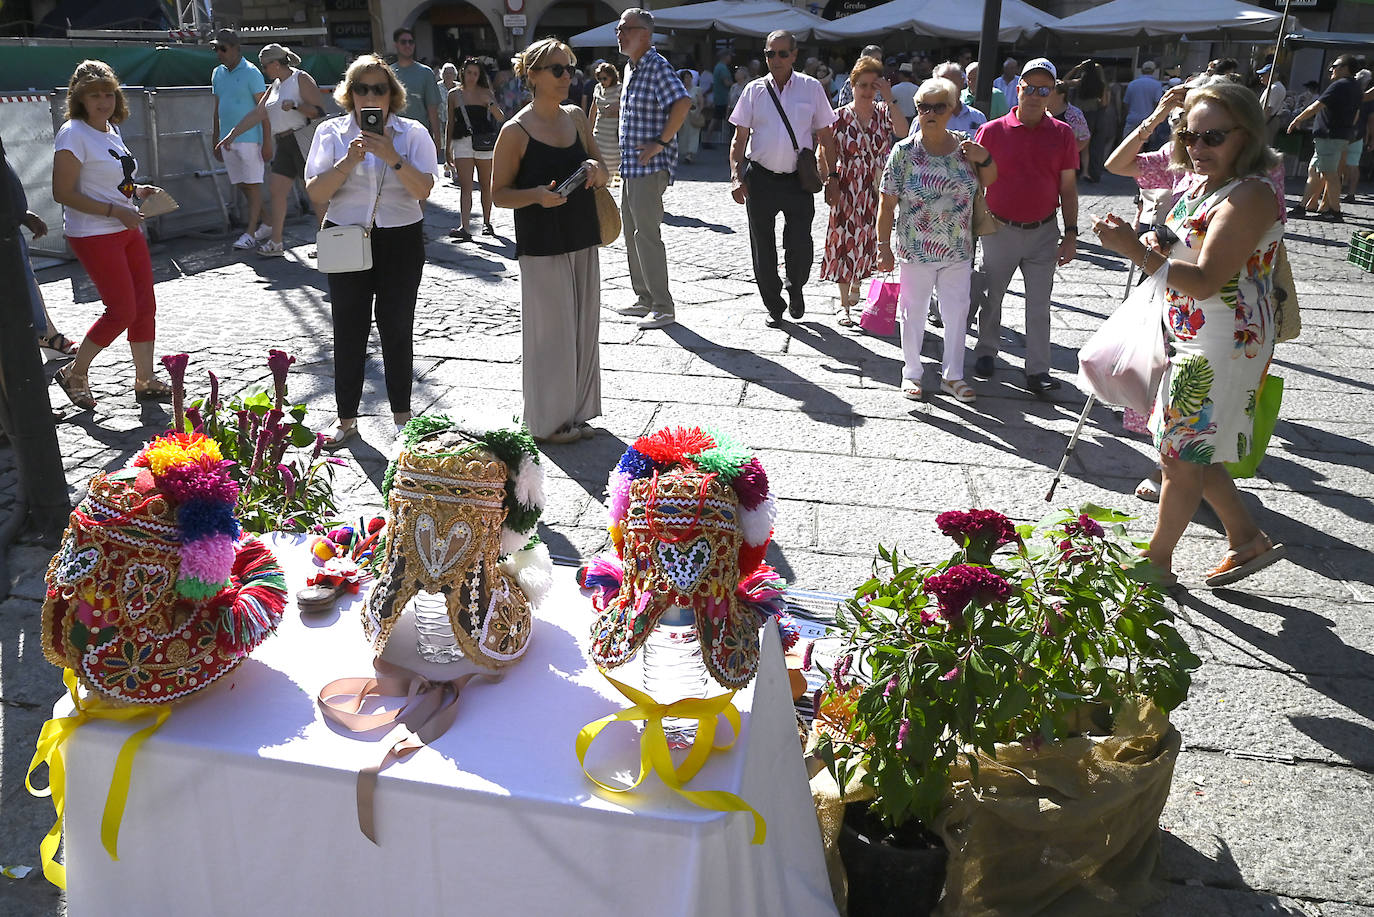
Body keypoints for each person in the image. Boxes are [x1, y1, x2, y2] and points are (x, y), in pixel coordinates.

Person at [1091, 81, 1287, 589]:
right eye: (1190, 136)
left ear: (1247, 135)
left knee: (1179, 452)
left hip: (1220, 340)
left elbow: (1204, 280)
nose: (1197, 148)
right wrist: (1151, 239)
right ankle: (1246, 539)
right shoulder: (1204, 183)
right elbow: (1181, 241)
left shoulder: (1251, 194)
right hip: (1191, 331)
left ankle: (1155, 562)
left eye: (1213, 137)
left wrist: (1134, 249)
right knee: (1192, 445)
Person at [304, 54, 440, 448]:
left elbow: (424, 189)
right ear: (349, 93)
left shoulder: (412, 133)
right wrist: (348, 161)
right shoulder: (331, 133)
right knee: (348, 329)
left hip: (400, 237)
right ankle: (346, 419)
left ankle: (402, 417)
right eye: (361, 88)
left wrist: (392, 157)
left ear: (391, 95)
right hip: (346, 234)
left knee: (397, 327)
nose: (369, 96)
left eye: (378, 88)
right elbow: (315, 192)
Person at [492, 38, 609, 445]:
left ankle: (576, 414)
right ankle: (547, 422)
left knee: (582, 328)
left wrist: (595, 169)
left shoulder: (576, 117)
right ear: (534, 76)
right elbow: (498, 194)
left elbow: (605, 172)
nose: (567, 76)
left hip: (581, 233)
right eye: (557, 69)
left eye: (569, 68)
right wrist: (537, 196)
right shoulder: (515, 130)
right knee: (550, 333)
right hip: (541, 242)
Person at [50, 60, 172, 410]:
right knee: (121, 311)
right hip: (94, 233)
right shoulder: (73, 133)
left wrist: (137, 192)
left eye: (108, 94)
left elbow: (114, 180)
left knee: (145, 307)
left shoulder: (110, 130)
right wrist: (113, 210)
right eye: (94, 96)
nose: (103, 101)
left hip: (125, 227)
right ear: (79, 99)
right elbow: (63, 192)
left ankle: (145, 379)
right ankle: (75, 371)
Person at [877, 77, 995, 404]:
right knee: (913, 311)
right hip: (915, 248)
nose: (929, 113)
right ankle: (911, 373)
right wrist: (882, 247)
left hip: (958, 247)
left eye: (938, 107)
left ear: (951, 109)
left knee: (957, 312)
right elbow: (886, 203)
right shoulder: (903, 152)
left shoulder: (966, 147)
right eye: (923, 107)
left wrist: (984, 157)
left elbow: (991, 179)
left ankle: (953, 376)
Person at [971, 58, 1079, 394]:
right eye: (1028, 87)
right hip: (1000, 227)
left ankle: (1038, 370)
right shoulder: (991, 131)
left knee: (1039, 303)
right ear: (1017, 89)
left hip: (1044, 231)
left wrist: (1071, 233)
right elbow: (974, 183)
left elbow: (1068, 187)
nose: (1034, 95)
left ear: (1052, 94)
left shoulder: (1063, 134)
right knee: (991, 295)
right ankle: (986, 350)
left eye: (1043, 89)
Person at [729, 30, 839, 326]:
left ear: (794, 55)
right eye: (769, 54)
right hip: (760, 178)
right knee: (761, 245)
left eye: (781, 54)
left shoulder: (811, 88)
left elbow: (828, 138)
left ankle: (796, 286)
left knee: (800, 243)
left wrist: (833, 177)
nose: (774, 60)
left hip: (797, 180)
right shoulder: (753, 90)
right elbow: (739, 139)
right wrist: (736, 177)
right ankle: (773, 304)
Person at [614, 8, 691, 331]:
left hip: (649, 165)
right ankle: (644, 297)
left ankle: (663, 305)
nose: (619, 34)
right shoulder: (632, 67)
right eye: (618, 29)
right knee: (632, 233)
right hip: (631, 166)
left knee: (646, 234)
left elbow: (682, 103)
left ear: (644, 34)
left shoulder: (657, 66)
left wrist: (660, 141)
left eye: (625, 29)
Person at [819, 57, 909, 326]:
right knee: (845, 240)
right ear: (853, 84)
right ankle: (844, 304)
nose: (868, 91)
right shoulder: (840, 116)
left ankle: (858, 279)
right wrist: (829, 179)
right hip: (847, 185)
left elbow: (903, 131)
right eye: (863, 85)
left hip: (876, 186)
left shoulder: (884, 111)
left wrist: (890, 97)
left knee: (870, 238)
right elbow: (823, 149)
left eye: (873, 85)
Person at [216, 43, 329, 257]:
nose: (264, 70)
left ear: (275, 64)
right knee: (277, 192)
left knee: (315, 193)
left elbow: (319, 111)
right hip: (284, 143)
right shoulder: (276, 84)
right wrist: (232, 135)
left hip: (303, 139)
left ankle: (328, 241)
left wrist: (295, 105)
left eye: (265, 66)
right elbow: (258, 114)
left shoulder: (300, 78)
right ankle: (276, 242)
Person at [6, 156, 76, 359]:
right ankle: (43, 335)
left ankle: (46, 334)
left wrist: (21, 213)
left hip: (9, 223)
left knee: (26, 277)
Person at [211, 29, 270, 251]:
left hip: (250, 138)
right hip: (227, 139)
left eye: (223, 48)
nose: (219, 52)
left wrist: (267, 142)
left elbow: (263, 110)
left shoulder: (252, 72)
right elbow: (217, 109)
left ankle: (251, 232)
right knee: (244, 185)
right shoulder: (217, 73)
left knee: (252, 186)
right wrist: (215, 138)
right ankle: (268, 223)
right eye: (215, 48)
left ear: (236, 49)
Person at [1288, 54, 1361, 221]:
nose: (1331, 70)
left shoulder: (1340, 85)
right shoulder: (1355, 87)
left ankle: (1335, 212)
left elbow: (1317, 105)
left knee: (1330, 174)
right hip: (1335, 136)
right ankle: (1302, 206)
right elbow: (1356, 114)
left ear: (1345, 68)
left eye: (1334, 66)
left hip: (1330, 136)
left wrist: (1298, 119)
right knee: (1314, 171)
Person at [446, 57, 505, 241]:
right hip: (462, 141)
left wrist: (490, 102)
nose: (471, 77)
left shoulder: (485, 92)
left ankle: (487, 222)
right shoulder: (454, 94)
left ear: (479, 75)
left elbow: (500, 117)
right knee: (466, 186)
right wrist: (447, 148)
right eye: (469, 72)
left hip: (483, 141)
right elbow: (450, 122)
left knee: (485, 184)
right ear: (463, 72)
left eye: (475, 73)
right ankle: (465, 226)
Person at [391, 28, 442, 156]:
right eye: (403, 42)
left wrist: (437, 140)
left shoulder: (426, 73)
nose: (408, 45)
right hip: (394, 137)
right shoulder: (388, 73)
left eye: (411, 42)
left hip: (420, 137)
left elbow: (432, 110)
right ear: (396, 45)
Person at [1064, 59, 1109, 181]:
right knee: (1091, 145)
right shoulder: (1100, 84)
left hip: (1078, 115)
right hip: (1093, 115)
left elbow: (1063, 81)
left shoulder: (1080, 82)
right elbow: (1104, 102)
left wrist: (1076, 68)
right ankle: (1089, 172)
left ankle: (1077, 171)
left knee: (1078, 145)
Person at [1342, 69, 1374, 202]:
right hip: (1358, 134)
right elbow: (1371, 121)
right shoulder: (1369, 99)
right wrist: (1371, 138)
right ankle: (1350, 192)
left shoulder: (1350, 93)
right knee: (1353, 163)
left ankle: (1341, 187)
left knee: (1342, 161)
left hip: (1345, 132)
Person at [1049, 81, 1091, 172]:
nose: (1046, 93)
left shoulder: (1074, 115)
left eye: (1051, 91)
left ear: (1061, 95)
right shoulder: (1041, 112)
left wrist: (1068, 154)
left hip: (1065, 167)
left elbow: (1084, 138)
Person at [591, 62, 623, 181]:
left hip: (613, 133)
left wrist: (616, 107)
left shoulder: (620, 89)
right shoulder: (597, 88)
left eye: (605, 78)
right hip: (599, 131)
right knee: (599, 161)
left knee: (613, 163)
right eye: (599, 79)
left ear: (612, 76)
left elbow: (627, 109)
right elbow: (593, 109)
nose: (602, 81)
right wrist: (589, 129)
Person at [934, 62, 986, 134]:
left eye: (953, 83)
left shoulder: (978, 117)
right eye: (944, 84)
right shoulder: (926, 120)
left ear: (962, 82)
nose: (949, 88)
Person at [1123, 61, 1164, 137]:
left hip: (1132, 119)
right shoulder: (1157, 85)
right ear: (1153, 71)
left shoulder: (1132, 84)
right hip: (1148, 121)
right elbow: (1157, 104)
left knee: (1128, 144)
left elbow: (1126, 103)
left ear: (1142, 70)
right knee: (1145, 145)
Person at [676, 69, 704, 163]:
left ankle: (690, 154)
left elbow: (701, 103)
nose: (688, 79)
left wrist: (698, 112)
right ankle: (685, 153)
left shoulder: (697, 89)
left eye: (689, 77)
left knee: (693, 134)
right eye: (686, 77)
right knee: (683, 135)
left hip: (694, 112)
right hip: (682, 114)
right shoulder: (680, 89)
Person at [1257, 62, 1287, 147]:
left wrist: (1260, 125)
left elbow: (1269, 108)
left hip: (1268, 121)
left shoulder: (1275, 88)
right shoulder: (1274, 87)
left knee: (1264, 147)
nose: (1260, 77)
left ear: (1274, 75)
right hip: (1269, 120)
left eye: (1264, 74)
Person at [437, 62, 459, 178]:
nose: (448, 75)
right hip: (442, 120)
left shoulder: (459, 87)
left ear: (455, 75)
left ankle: (452, 169)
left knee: (454, 146)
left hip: (456, 121)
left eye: (451, 73)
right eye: (446, 73)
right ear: (442, 74)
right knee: (446, 145)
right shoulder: (437, 87)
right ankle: (448, 165)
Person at [711, 50, 733, 144]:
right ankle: (709, 140)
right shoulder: (722, 68)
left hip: (718, 96)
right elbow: (726, 82)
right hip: (723, 98)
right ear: (725, 56)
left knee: (716, 118)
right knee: (718, 119)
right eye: (729, 56)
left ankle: (708, 139)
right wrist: (736, 84)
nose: (731, 58)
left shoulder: (718, 66)